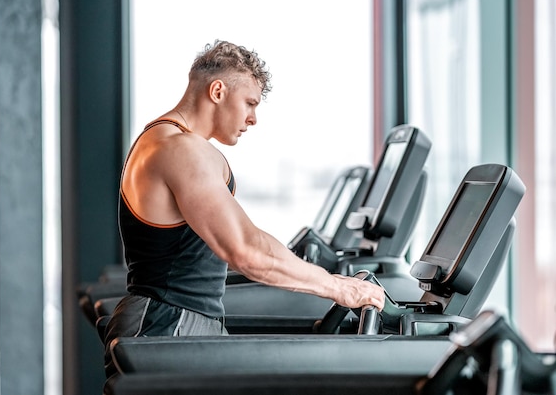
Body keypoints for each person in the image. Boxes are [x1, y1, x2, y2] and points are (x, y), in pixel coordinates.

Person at [104, 40, 385, 378]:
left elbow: (240, 243)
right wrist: (339, 288)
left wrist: (321, 277)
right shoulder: (180, 150)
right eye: (249, 103)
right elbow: (246, 249)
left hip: (174, 319)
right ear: (218, 91)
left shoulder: (166, 140)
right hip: (167, 324)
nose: (253, 118)